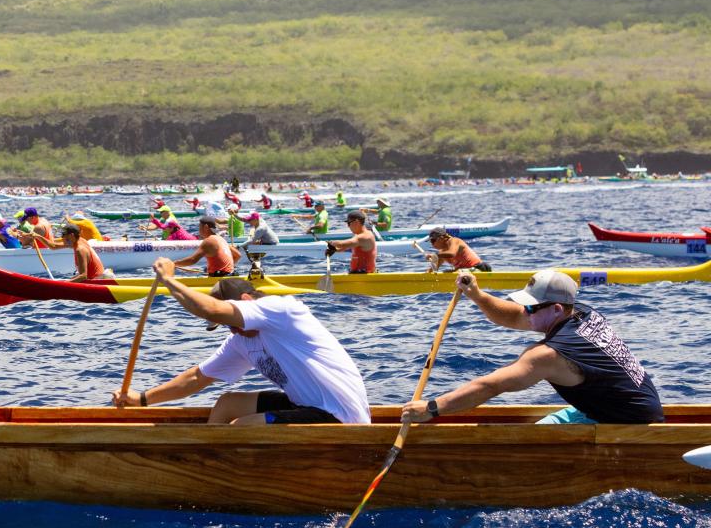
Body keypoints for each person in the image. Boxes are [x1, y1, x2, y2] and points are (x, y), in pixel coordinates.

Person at [112, 259, 370, 425]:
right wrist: (141, 400)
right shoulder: (240, 340)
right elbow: (196, 378)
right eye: (227, 326)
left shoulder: (279, 309)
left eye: (231, 321)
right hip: (304, 406)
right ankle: (209, 467)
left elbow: (211, 310)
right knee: (227, 404)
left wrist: (170, 281)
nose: (232, 330)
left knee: (243, 426)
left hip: (339, 415)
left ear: (246, 301)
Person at [404, 269, 663, 425]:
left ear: (556, 308)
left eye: (530, 307)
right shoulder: (581, 312)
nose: (524, 312)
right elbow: (512, 316)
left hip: (627, 423)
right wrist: (477, 295)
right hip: (616, 407)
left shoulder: (549, 355)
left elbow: (491, 385)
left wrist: (432, 409)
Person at [170, 217, 240, 277]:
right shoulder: (221, 239)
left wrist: (173, 263)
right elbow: (238, 255)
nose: (199, 230)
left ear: (206, 227)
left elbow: (192, 260)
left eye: (199, 227)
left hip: (219, 278)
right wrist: (226, 269)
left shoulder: (209, 241)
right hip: (230, 275)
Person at [423, 227, 490, 272]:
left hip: (479, 268)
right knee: (449, 272)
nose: (432, 244)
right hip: (466, 271)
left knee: (455, 273)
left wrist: (435, 255)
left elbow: (452, 254)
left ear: (442, 238)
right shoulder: (442, 252)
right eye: (431, 241)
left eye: (433, 240)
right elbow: (433, 270)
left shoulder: (454, 241)